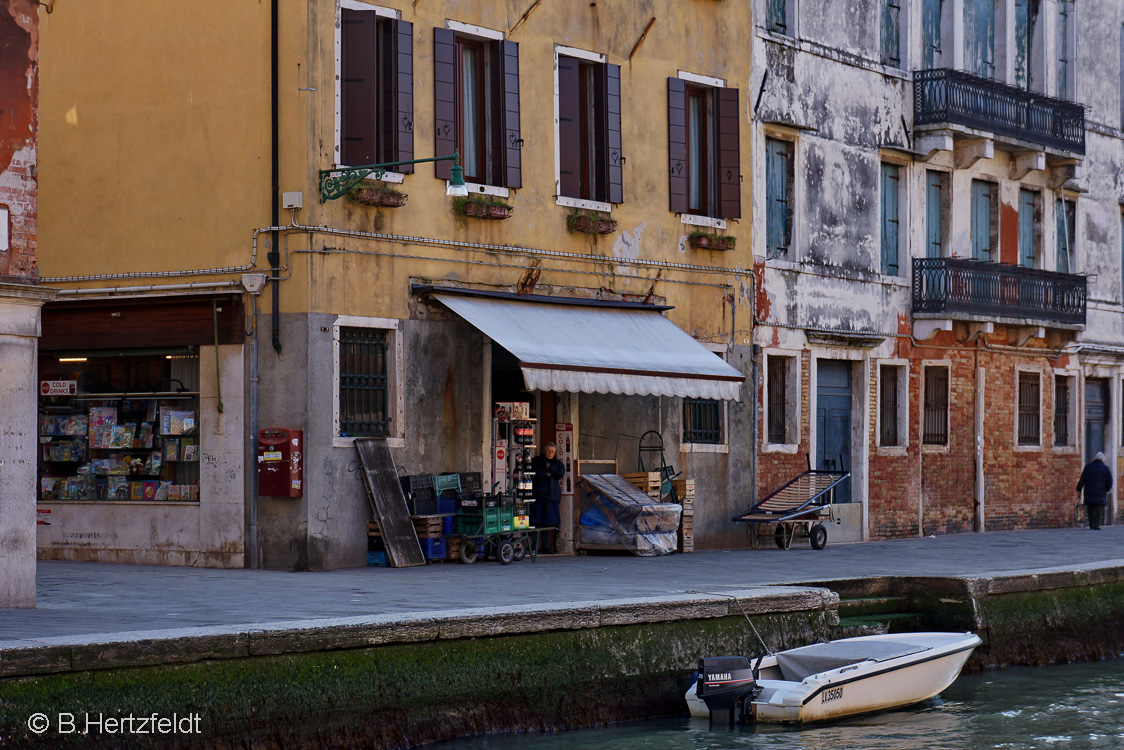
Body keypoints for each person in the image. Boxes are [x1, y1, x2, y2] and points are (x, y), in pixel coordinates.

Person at [530, 442, 565, 553]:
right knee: (537, 521)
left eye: (552, 451)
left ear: (555, 453)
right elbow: (535, 473)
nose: (550, 453)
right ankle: (534, 546)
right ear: (544, 451)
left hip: (551, 496)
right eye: (548, 451)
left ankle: (546, 546)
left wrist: (549, 468)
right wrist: (547, 473)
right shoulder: (537, 460)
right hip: (538, 494)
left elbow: (559, 473)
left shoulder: (557, 463)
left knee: (549, 521)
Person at [1076, 452, 1113, 531]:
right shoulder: (1105, 468)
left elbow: (1082, 479)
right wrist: (1107, 489)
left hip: (1089, 492)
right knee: (1098, 509)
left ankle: (1091, 525)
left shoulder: (1088, 467)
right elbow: (1110, 481)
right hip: (1100, 493)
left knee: (1090, 508)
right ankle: (1096, 525)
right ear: (1102, 459)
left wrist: (1079, 489)